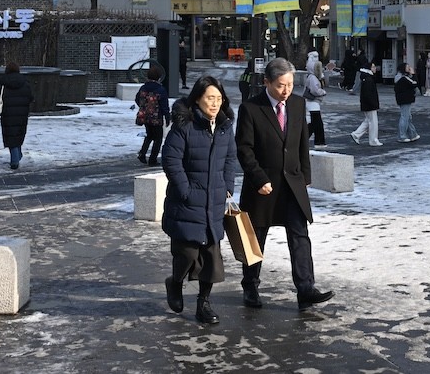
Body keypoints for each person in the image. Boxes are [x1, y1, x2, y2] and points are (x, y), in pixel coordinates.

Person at [235, 57, 333, 312]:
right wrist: (258, 178)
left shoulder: (297, 104)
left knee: (300, 236)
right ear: (267, 82)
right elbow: (244, 149)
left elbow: (301, 143)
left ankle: (306, 289)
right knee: (256, 237)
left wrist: (305, 177)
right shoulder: (251, 108)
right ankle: (250, 285)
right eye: (280, 85)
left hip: (292, 182)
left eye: (289, 84)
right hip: (263, 185)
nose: (286, 90)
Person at [160, 75, 237, 325]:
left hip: (213, 203)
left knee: (212, 259)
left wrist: (227, 186)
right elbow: (171, 159)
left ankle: (203, 303)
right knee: (187, 254)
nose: (214, 104)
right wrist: (185, 190)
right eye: (209, 98)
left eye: (218, 98)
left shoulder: (224, 127)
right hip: (187, 203)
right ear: (197, 99)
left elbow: (230, 159)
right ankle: (175, 282)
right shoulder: (185, 126)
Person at [0, 61, 34, 170]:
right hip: (22, 114)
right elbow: (30, 97)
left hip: (7, 114)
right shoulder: (25, 82)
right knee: (18, 135)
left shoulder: (3, 83)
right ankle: (17, 154)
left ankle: (15, 161)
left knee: (10, 136)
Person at [135, 65, 171, 166]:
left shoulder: (143, 88)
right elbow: (164, 105)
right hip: (156, 118)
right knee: (158, 139)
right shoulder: (160, 89)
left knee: (149, 135)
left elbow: (137, 99)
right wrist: (167, 117)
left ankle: (142, 153)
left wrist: (144, 107)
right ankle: (152, 159)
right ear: (158, 77)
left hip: (144, 117)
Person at [350, 62, 382, 146]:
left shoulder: (366, 78)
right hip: (370, 104)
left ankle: (356, 134)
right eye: (373, 67)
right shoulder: (368, 79)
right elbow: (368, 94)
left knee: (368, 121)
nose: (375, 68)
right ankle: (373, 140)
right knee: (373, 122)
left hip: (367, 104)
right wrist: (373, 104)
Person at [394, 62, 421, 143]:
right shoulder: (404, 78)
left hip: (402, 99)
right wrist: (413, 74)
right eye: (407, 67)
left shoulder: (399, 77)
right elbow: (414, 83)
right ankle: (402, 136)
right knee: (405, 117)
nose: (409, 68)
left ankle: (413, 134)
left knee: (407, 117)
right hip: (405, 99)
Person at [303, 61, 328, 149]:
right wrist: (323, 92)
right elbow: (315, 91)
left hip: (312, 102)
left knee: (314, 123)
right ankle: (319, 142)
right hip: (313, 102)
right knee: (317, 123)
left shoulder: (311, 76)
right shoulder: (313, 78)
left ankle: (307, 140)